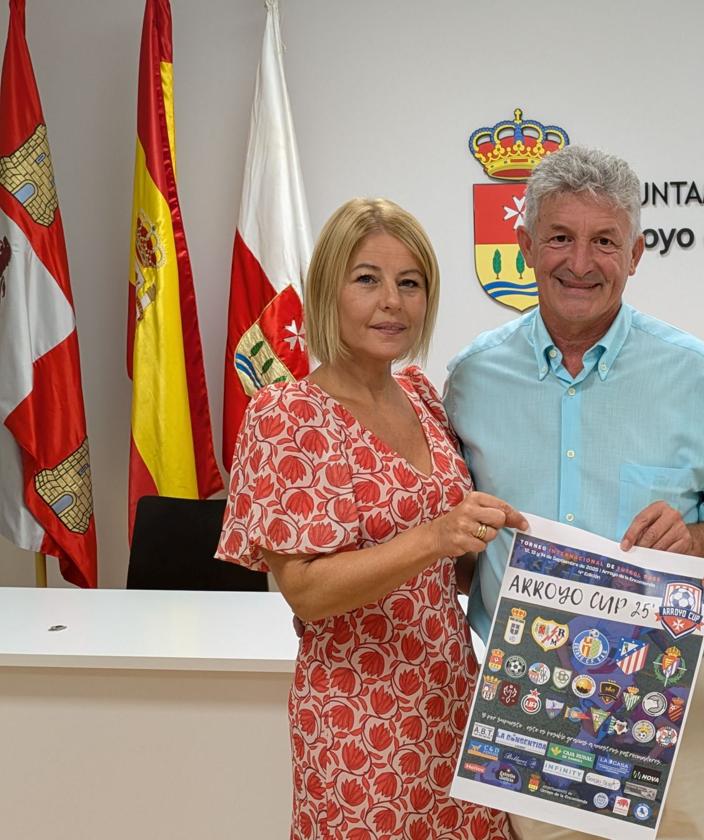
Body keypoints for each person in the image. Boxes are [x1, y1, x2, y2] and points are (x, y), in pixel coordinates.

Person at [444, 145, 704, 840]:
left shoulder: (695, 377)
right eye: (560, 237)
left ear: (638, 253)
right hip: (527, 699)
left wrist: (692, 538)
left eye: (604, 242)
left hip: (668, 698)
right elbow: (455, 543)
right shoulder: (471, 381)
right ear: (525, 244)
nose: (580, 262)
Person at [217, 198, 524, 840]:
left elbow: (447, 573)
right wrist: (435, 538)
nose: (392, 301)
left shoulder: (419, 393)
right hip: (358, 723)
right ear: (329, 288)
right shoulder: (287, 416)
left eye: (410, 283)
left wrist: (493, 543)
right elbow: (304, 591)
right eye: (368, 279)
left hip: (452, 701)